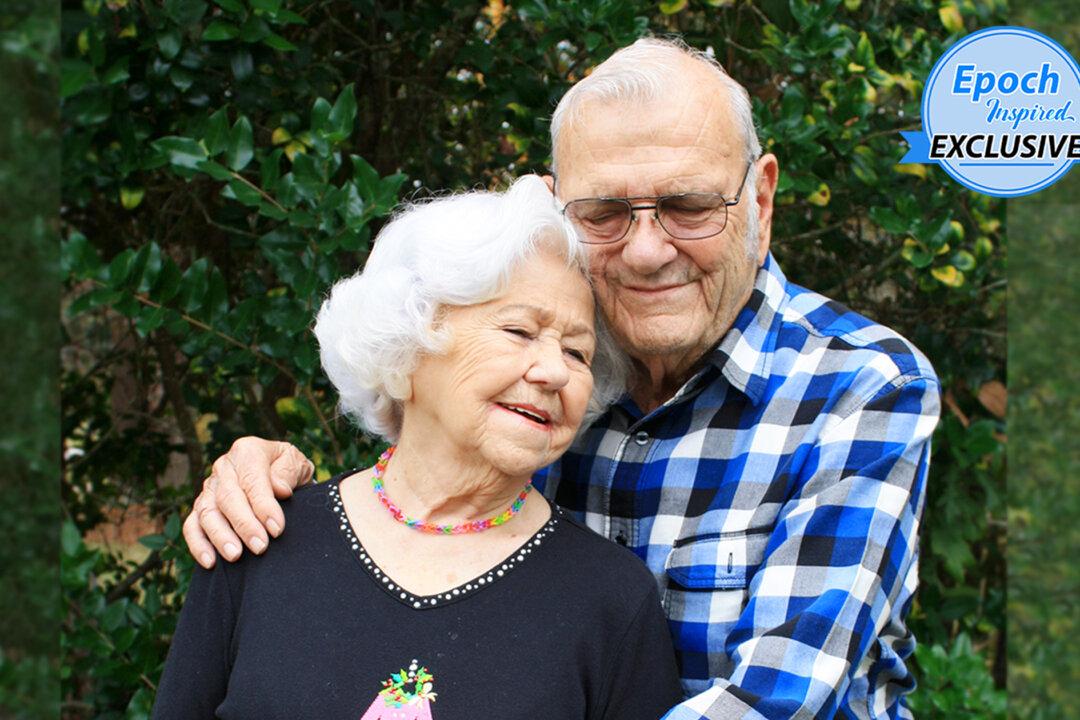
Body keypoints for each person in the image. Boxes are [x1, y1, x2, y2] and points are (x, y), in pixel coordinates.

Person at [183, 38, 941, 720]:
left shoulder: (860, 387)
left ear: (762, 201)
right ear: (557, 206)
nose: (647, 251)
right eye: (606, 212)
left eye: (688, 206)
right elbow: (420, 476)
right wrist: (268, 476)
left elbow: (776, 703)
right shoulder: (552, 363)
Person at [153, 177, 683, 719]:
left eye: (576, 352)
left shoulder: (611, 600)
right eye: (520, 332)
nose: (553, 371)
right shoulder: (256, 533)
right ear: (407, 347)